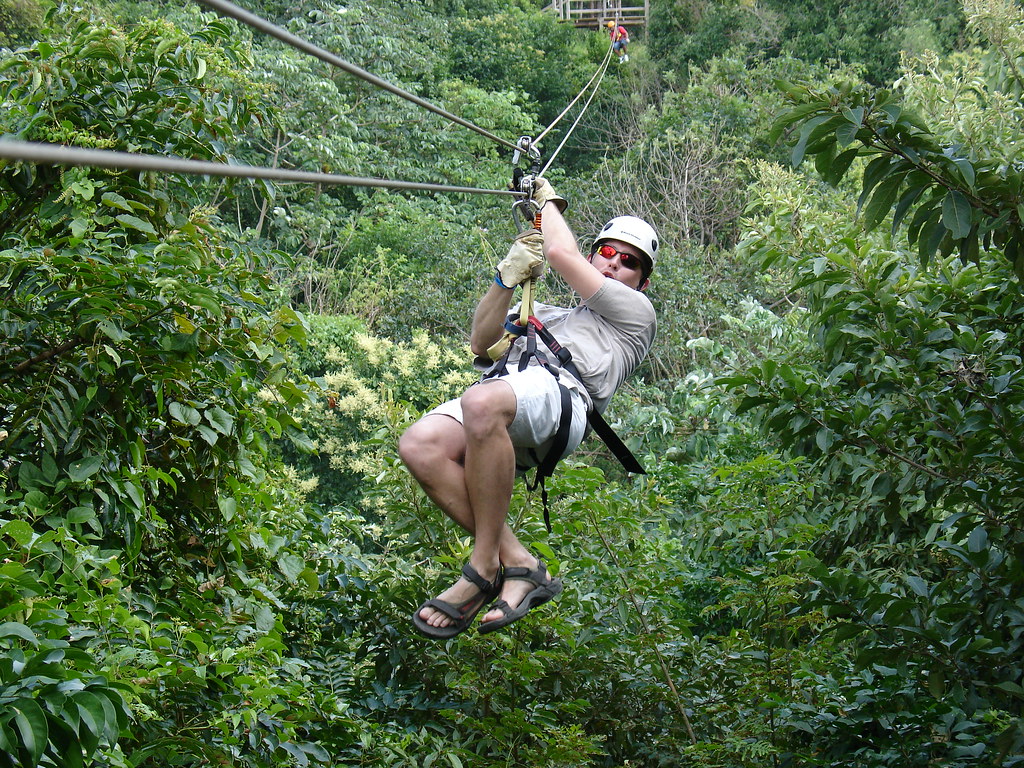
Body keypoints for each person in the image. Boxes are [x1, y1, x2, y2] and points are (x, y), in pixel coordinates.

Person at [399, 178, 658, 639]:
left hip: (564, 398)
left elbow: (562, 255)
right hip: (508, 398)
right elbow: (480, 342)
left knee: (480, 401)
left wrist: (547, 201)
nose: (615, 264)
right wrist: (508, 277)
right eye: (608, 253)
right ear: (597, 254)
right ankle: (518, 563)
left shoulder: (636, 315)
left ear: (642, 278)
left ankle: (482, 568)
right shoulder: (551, 313)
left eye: (629, 261)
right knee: (420, 446)